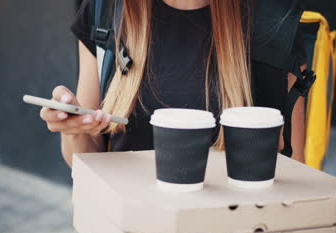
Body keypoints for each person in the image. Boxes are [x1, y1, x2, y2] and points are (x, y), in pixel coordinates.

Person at [40, 0, 308, 167]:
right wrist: (73, 129)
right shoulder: (105, 9)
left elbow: (297, 177)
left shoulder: (274, 19)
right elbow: (86, 163)